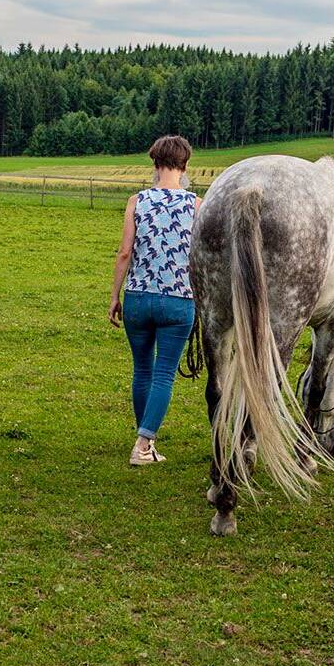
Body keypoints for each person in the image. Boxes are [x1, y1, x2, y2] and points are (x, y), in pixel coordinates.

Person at [109, 134, 199, 466]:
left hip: (138, 297)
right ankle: (143, 444)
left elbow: (124, 253)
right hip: (178, 301)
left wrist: (114, 296)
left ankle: (143, 439)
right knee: (163, 374)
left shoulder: (137, 201)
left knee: (142, 370)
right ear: (185, 165)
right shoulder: (196, 205)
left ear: (155, 164)